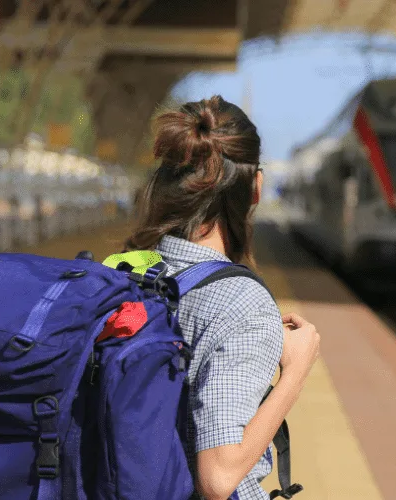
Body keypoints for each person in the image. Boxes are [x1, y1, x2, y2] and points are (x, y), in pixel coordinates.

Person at [121, 95, 321, 500]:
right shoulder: (240, 302)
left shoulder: (128, 267)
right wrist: (296, 371)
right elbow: (219, 477)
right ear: (256, 188)